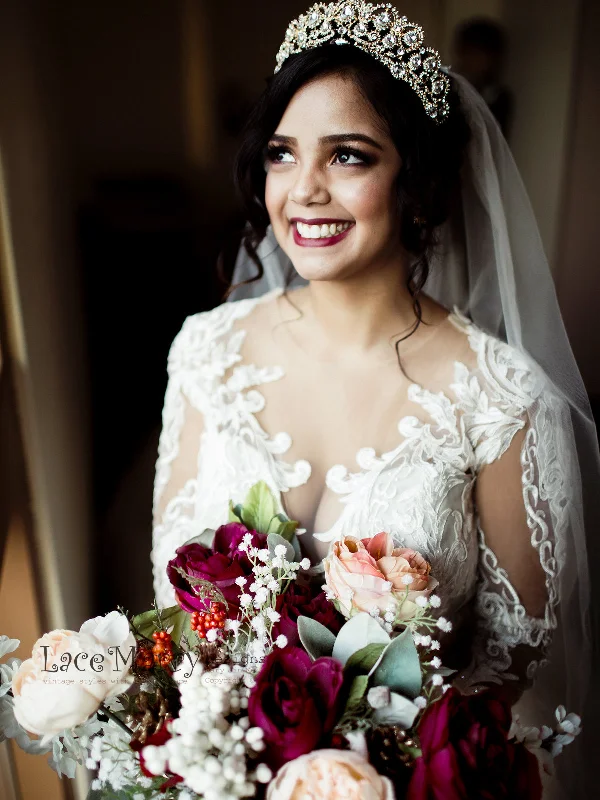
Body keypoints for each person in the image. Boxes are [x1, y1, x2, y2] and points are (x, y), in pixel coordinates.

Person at [151, 4, 595, 794]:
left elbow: (518, 695)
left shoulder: (506, 400)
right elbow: (176, 621)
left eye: (348, 156)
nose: (305, 191)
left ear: (416, 179)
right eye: (283, 155)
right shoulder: (204, 353)